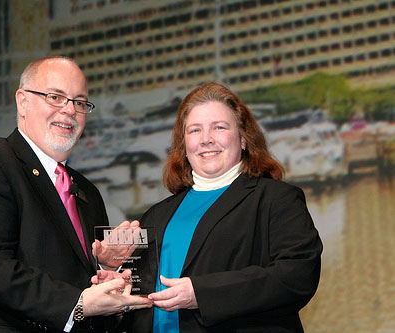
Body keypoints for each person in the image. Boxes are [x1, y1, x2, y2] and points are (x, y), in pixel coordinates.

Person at [0, 56, 151, 332]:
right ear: (23, 101)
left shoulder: (87, 192)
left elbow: (77, 282)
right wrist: (78, 303)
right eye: (55, 97)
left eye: (79, 102)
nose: (69, 110)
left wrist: (103, 271)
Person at [125, 82, 323, 332]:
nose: (206, 139)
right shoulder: (155, 215)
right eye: (195, 130)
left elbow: (297, 275)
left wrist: (202, 293)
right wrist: (113, 273)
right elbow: (137, 296)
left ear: (243, 139)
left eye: (219, 127)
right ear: (184, 146)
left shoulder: (276, 199)